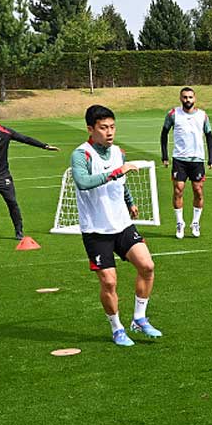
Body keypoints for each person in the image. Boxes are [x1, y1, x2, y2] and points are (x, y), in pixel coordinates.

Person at [71, 105, 161, 347]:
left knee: (147, 266)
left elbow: (121, 181)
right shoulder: (82, 154)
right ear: (91, 129)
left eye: (112, 127)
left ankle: (139, 318)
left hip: (121, 224)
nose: (109, 132)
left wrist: (129, 202)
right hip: (95, 230)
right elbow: (82, 182)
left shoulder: (118, 152)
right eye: (103, 128)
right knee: (109, 282)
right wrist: (115, 172)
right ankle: (117, 328)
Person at [0, 106, 59, 239]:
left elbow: (24, 138)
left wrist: (44, 146)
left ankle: (19, 231)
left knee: (12, 202)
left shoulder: (5, 132)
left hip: (2, 176)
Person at [161, 86, 212, 239]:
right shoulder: (173, 114)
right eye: (185, 97)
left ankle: (195, 223)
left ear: (195, 98)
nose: (187, 100)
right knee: (178, 189)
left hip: (197, 159)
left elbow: (209, 136)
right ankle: (180, 223)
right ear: (180, 98)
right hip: (179, 159)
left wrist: (211, 158)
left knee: (198, 190)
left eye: (190, 97)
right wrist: (165, 156)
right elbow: (164, 134)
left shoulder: (203, 115)